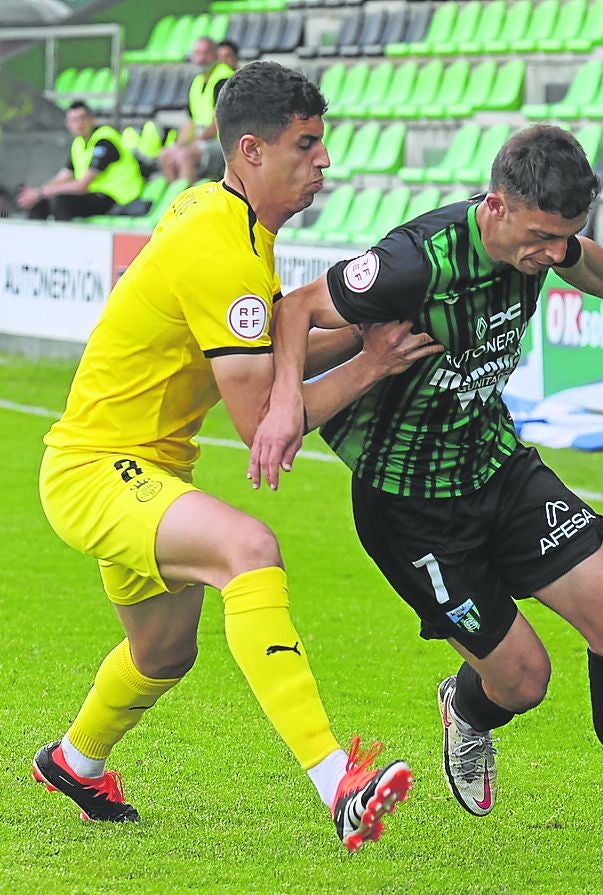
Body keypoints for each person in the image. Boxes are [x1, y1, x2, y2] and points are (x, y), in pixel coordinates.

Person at [252, 125, 603, 877]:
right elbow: (293, 312)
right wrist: (287, 401)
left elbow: (582, 261)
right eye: (542, 237)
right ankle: (470, 707)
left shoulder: (545, 239)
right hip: (410, 505)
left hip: (496, 464)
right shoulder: (410, 263)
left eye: (565, 235)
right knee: (524, 681)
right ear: (498, 204)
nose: (553, 253)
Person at [33, 62, 441, 852]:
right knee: (250, 549)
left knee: (162, 650)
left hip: (141, 467)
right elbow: (263, 421)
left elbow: (262, 353)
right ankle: (339, 783)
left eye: (323, 143)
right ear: (250, 151)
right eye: (305, 145)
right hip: (97, 469)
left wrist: (360, 333)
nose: (323, 161)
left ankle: (75, 760)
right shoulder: (221, 250)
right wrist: (371, 362)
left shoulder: (220, 216)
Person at [16, 100, 143, 220]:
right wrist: (37, 192)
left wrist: (40, 192)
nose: (79, 124)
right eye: (74, 120)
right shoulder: (78, 144)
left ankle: (65, 240)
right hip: (94, 196)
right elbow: (64, 175)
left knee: (62, 200)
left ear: (92, 119)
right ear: (68, 124)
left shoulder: (104, 141)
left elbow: (82, 185)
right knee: (41, 201)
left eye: (83, 118)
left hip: (117, 198)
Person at [159, 36, 235, 185]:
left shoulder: (224, 79)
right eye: (197, 53)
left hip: (222, 142)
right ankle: (174, 200)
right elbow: (190, 121)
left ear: (215, 54)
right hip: (201, 139)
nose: (201, 58)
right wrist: (180, 143)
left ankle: (189, 202)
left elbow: (218, 122)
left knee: (185, 156)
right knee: (166, 155)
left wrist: (193, 142)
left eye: (205, 53)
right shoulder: (197, 81)